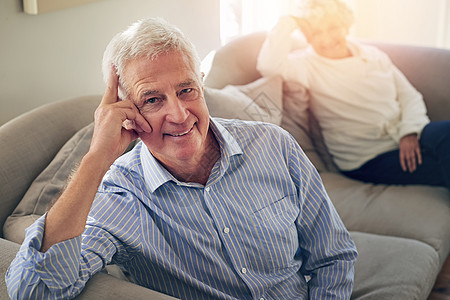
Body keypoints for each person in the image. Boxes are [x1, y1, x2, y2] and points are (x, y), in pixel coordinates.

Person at [6, 17, 357, 299]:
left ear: (201, 84)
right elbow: (34, 290)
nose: (178, 114)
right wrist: (96, 158)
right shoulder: (120, 198)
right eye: (153, 100)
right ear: (126, 111)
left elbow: (334, 256)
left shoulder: (274, 144)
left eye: (186, 90)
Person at [257, 0, 450, 189]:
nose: (326, 38)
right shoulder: (305, 65)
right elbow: (268, 66)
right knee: (440, 167)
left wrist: (409, 132)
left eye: (333, 28)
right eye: (316, 32)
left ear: (346, 26)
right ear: (308, 37)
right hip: (369, 158)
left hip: (406, 135)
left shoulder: (373, 54)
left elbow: (409, 95)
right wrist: (289, 21)